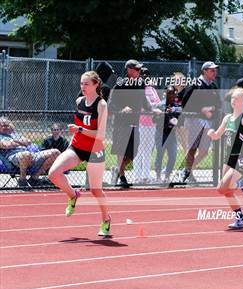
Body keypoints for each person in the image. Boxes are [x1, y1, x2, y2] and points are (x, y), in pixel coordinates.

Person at [48, 71, 111, 236]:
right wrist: (74, 137)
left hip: (95, 150)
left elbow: (101, 135)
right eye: (81, 84)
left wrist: (81, 129)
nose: (83, 87)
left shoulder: (102, 105)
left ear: (96, 85)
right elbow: (78, 128)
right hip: (76, 147)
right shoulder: (79, 101)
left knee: (95, 190)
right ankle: (73, 195)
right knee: (53, 174)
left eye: (86, 84)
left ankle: (106, 220)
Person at [207, 87, 243, 229]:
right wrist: (211, 133)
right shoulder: (227, 118)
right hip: (228, 159)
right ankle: (240, 219)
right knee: (225, 191)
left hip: (240, 158)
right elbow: (217, 135)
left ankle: (242, 183)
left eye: (237, 98)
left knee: (224, 188)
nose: (233, 100)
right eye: (232, 98)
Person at [180, 61, 221, 182]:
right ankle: (188, 173)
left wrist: (211, 108)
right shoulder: (195, 84)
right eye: (212, 70)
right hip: (194, 120)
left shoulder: (213, 85)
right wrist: (201, 110)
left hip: (207, 122)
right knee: (192, 148)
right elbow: (185, 103)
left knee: (204, 151)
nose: (215, 72)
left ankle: (187, 169)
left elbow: (219, 103)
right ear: (205, 71)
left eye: (215, 70)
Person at [109, 59, 147, 188]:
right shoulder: (121, 84)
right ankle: (122, 176)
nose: (139, 71)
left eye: (140, 69)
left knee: (133, 153)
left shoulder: (141, 84)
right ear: (129, 70)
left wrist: (153, 110)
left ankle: (118, 169)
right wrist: (122, 109)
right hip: (121, 123)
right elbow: (111, 104)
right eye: (137, 69)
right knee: (121, 150)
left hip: (134, 122)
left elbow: (144, 101)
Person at [0, 117, 60, 190]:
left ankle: (34, 178)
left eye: (7, 125)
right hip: (13, 157)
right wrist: (21, 142)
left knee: (56, 152)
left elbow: (28, 142)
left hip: (31, 155)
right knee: (26, 154)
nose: (6, 127)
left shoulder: (15, 134)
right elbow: (6, 145)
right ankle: (22, 180)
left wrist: (15, 141)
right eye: (3, 126)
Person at [133, 67, 161, 183]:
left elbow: (158, 103)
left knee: (148, 149)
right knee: (139, 149)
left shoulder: (152, 89)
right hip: (140, 122)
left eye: (147, 76)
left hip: (151, 123)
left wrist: (153, 107)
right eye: (143, 75)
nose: (145, 78)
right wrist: (151, 107)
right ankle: (137, 176)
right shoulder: (138, 90)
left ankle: (145, 175)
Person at [154, 86, 182, 182]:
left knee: (173, 155)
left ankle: (167, 176)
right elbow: (154, 119)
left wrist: (176, 121)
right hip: (161, 133)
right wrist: (163, 116)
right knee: (160, 154)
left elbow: (181, 120)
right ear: (165, 94)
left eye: (173, 93)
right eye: (169, 93)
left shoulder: (177, 107)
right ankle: (158, 176)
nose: (171, 95)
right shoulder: (160, 105)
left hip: (172, 134)